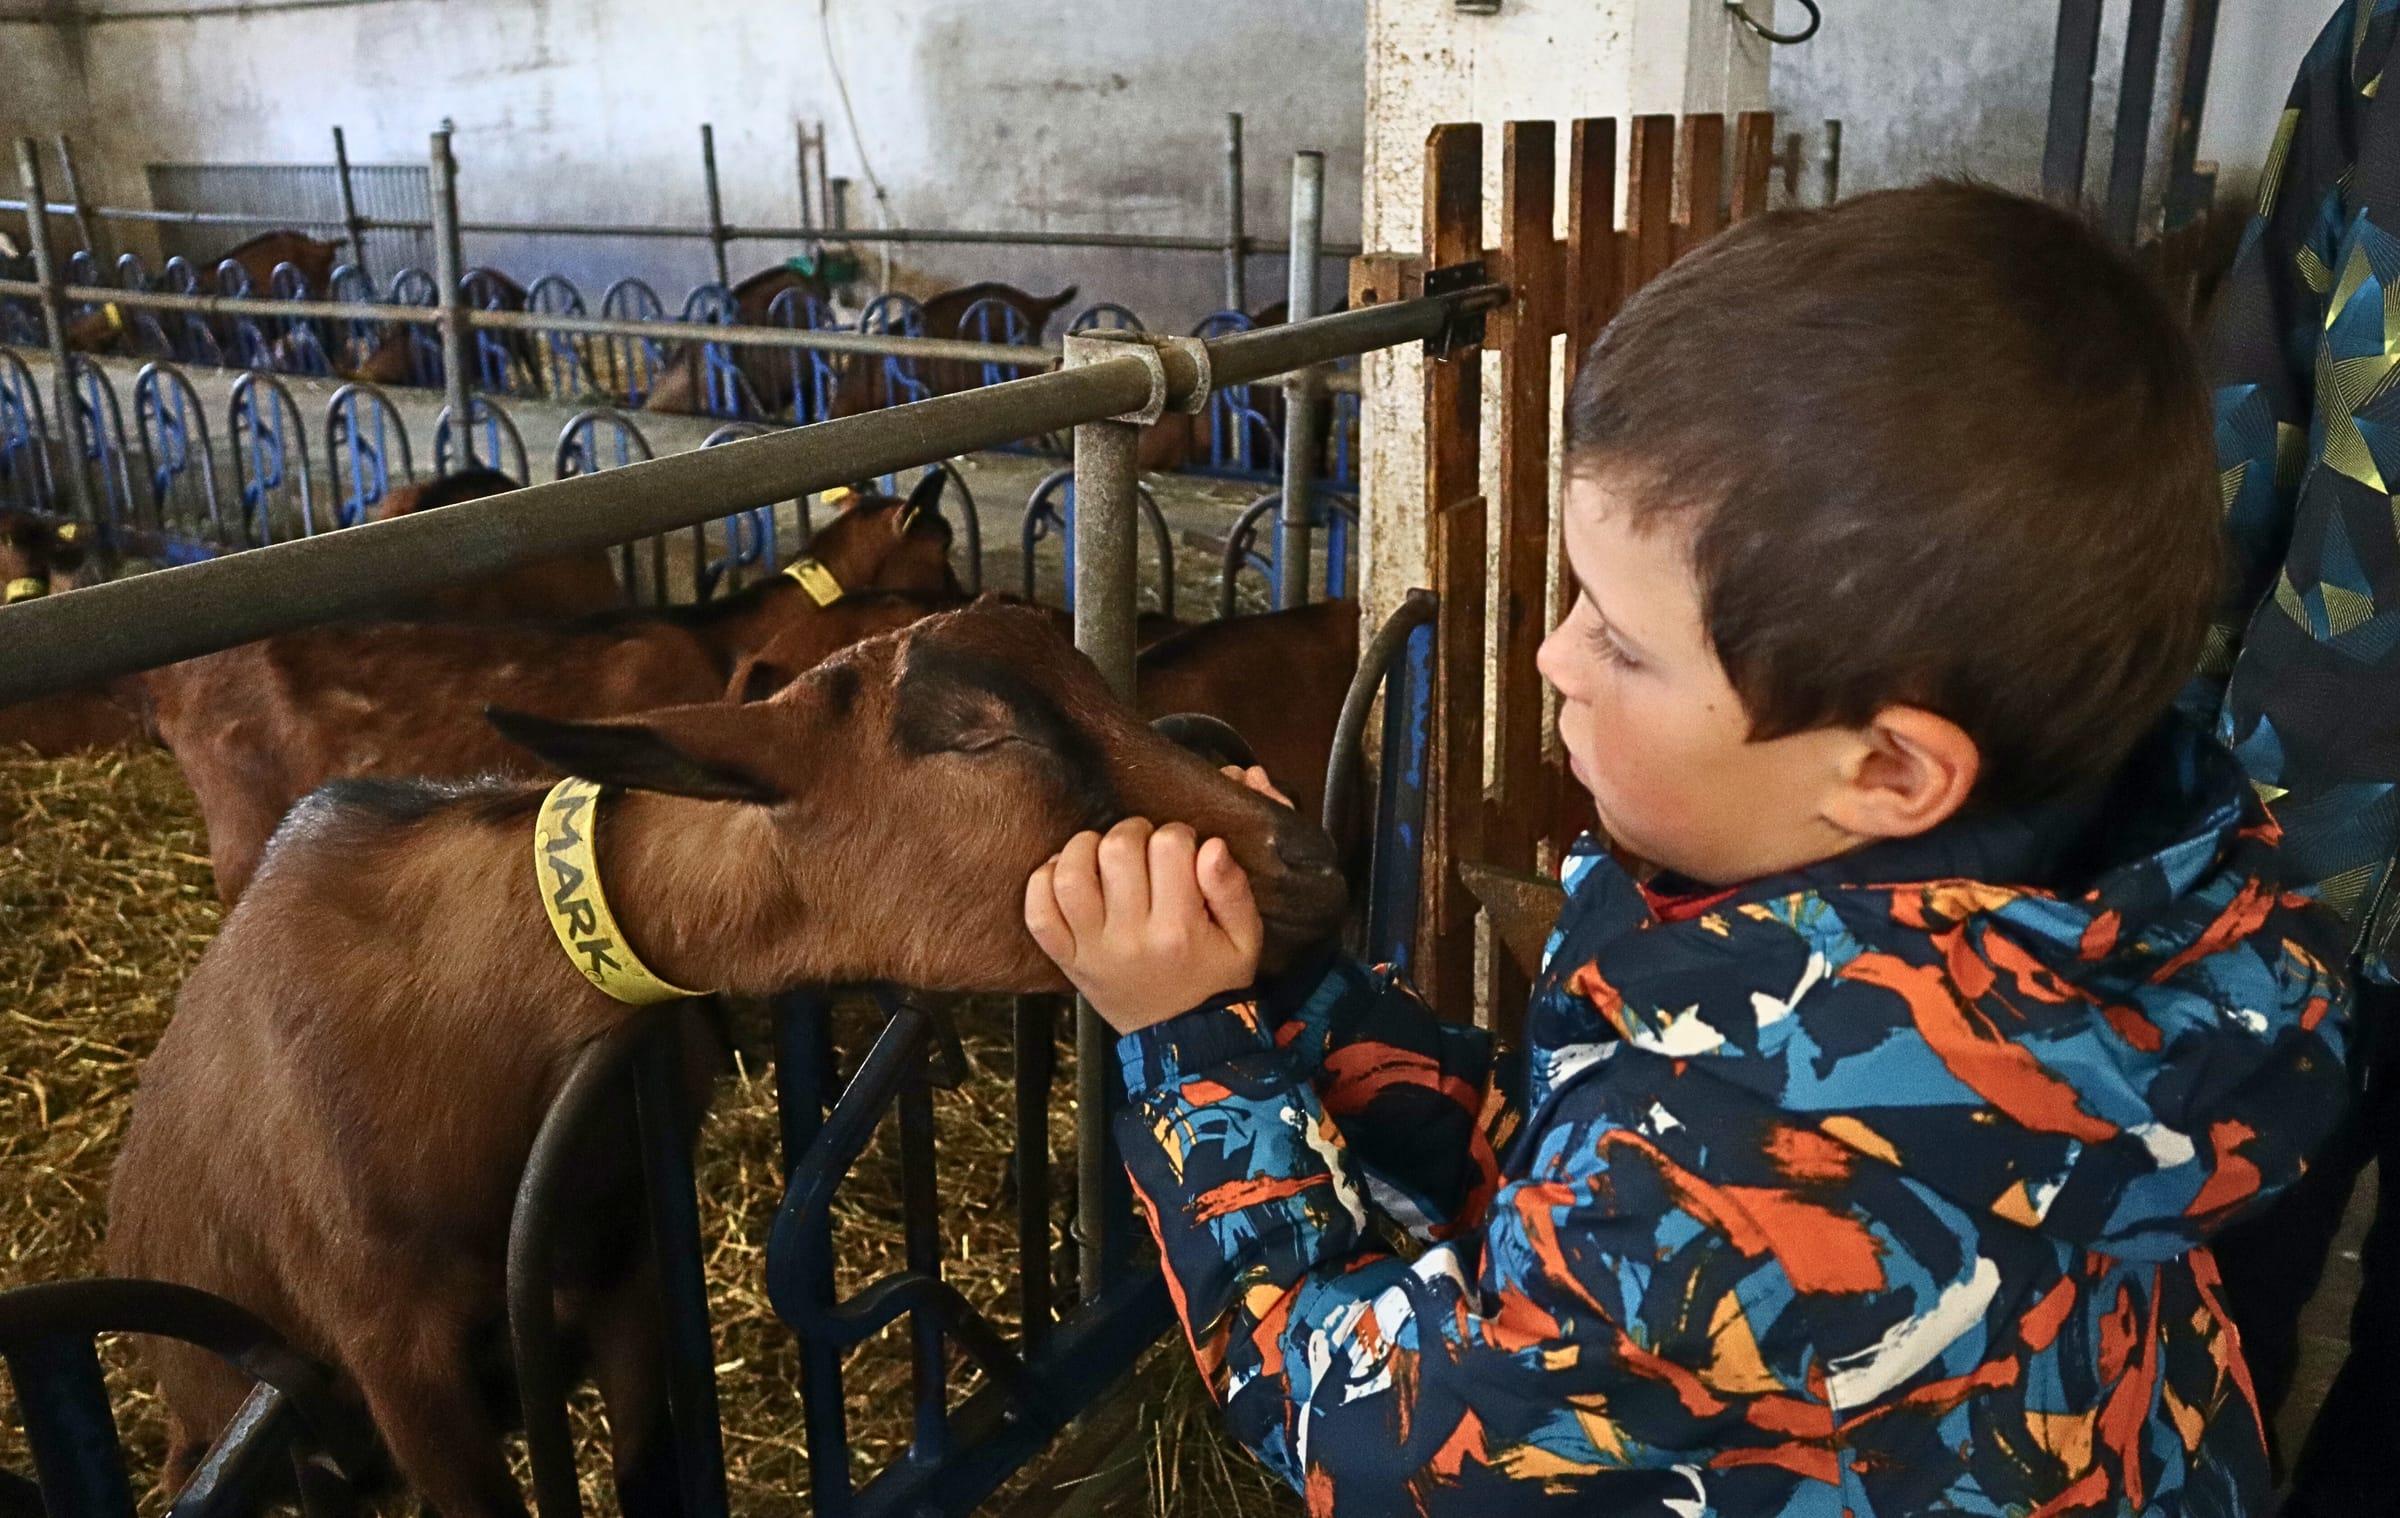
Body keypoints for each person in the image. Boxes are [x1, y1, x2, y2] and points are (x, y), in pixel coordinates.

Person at [1022, 182, 2351, 1516]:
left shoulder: (1730, 1164)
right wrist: (1309, 997)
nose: (1553, 657)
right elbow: (1581, 1130)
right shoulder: (2079, 931)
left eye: (1619, 636)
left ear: (1888, 769)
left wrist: (1194, 1049)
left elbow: (1373, 1434)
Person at [2189, 6, 2400, 1513]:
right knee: (2191, 1289)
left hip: (2302, 791)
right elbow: (2245, 399)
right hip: (2300, 817)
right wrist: (2142, 762)